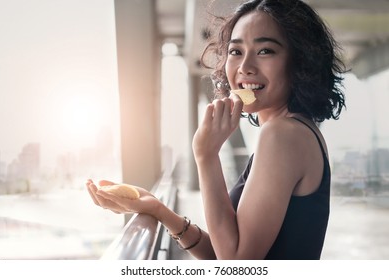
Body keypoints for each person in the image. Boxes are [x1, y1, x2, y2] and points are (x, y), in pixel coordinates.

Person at [86, 0, 346, 260]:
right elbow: (223, 251)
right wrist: (158, 209)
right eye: (235, 52)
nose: (245, 67)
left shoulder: (282, 134)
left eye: (265, 51)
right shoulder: (294, 131)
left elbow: (235, 263)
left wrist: (206, 154)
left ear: (300, 62)